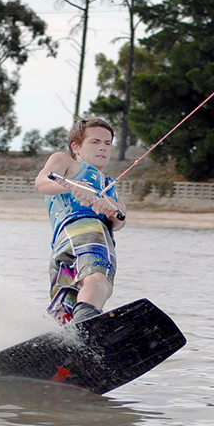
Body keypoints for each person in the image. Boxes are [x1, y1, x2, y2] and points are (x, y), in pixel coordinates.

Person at [34, 117, 127, 324]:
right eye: (95, 142)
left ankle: (64, 341)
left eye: (107, 144)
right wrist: (73, 186)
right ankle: (85, 323)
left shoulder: (110, 185)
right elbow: (41, 182)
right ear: (76, 146)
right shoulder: (67, 163)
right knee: (98, 279)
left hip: (65, 246)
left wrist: (109, 207)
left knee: (66, 304)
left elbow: (121, 219)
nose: (103, 148)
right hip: (88, 233)